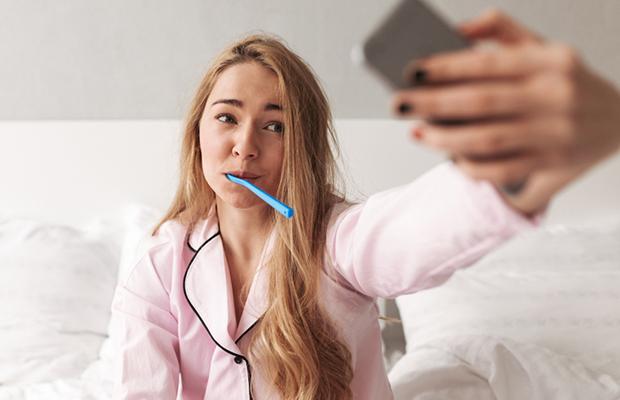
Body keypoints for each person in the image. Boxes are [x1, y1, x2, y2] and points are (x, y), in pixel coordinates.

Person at [110, 8, 620, 400]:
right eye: (226, 118)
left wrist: (509, 168)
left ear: (302, 147)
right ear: (196, 131)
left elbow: (411, 231)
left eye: (274, 126)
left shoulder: (337, 242)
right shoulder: (158, 268)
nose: (245, 145)